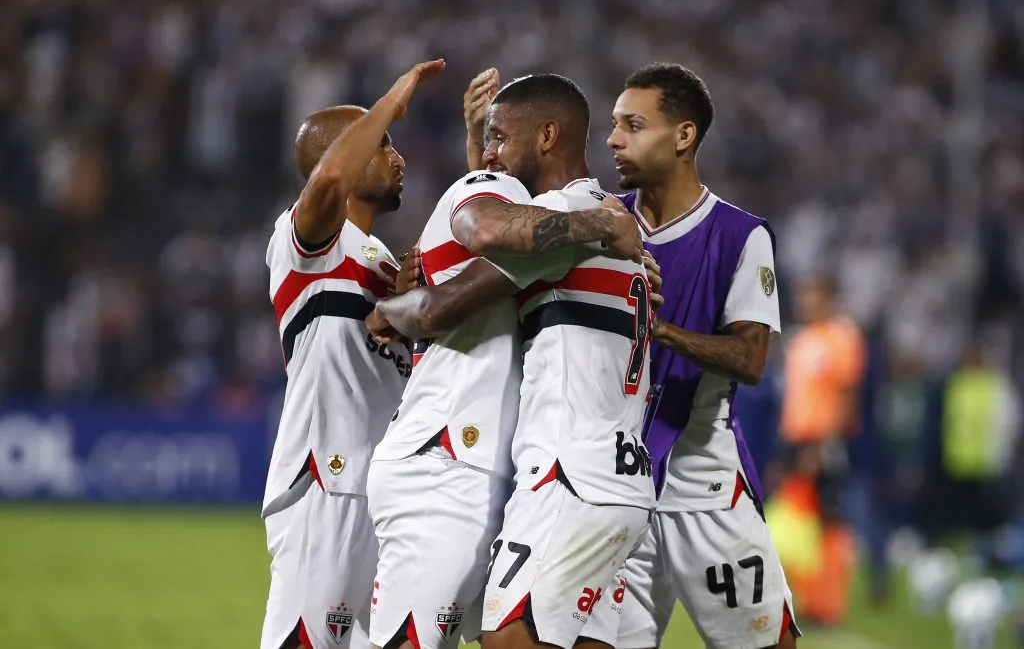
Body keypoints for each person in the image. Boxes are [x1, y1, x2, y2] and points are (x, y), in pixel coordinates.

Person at [367, 73, 657, 649]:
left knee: (505, 637)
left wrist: (384, 312)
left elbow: (446, 296)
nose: (491, 152)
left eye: (501, 137)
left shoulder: (557, 224)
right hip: (623, 482)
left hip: (566, 475)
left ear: (547, 136)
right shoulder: (620, 224)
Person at [582, 63, 799, 649]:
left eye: (633, 124)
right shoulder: (601, 224)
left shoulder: (739, 236)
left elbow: (751, 360)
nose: (613, 139)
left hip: (702, 485)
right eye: (613, 125)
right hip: (612, 487)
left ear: (683, 136)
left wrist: (663, 331)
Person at [260, 59, 444, 649]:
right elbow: (329, 185)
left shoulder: (384, 264)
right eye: (383, 145)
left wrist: (403, 312)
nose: (398, 157)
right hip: (325, 482)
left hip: (383, 491)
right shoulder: (306, 243)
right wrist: (388, 102)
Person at [775, 276, 867, 626]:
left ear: (829, 299)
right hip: (796, 440)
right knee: (798, 522)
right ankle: (803, 598)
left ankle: (828, 606)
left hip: (822, 441)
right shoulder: (801, 339)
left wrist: (827, 443)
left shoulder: (841, 337)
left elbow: (847, 394)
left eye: (812, 296)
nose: (805, 303)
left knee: (829, 523)